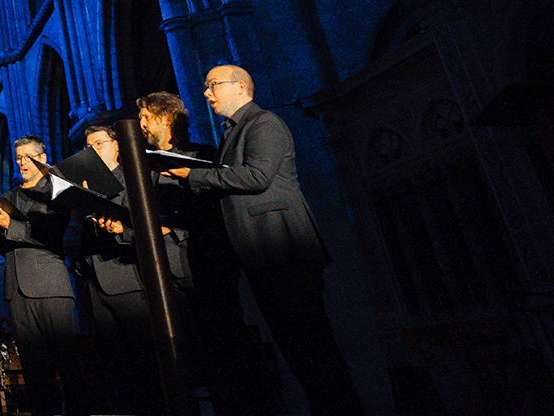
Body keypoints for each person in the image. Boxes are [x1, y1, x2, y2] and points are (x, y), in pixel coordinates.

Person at [164, 65, 364, 416]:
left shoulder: (264, 124)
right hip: (261, 254)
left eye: (212, 86)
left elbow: (257, 176)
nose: (206, 94)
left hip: (283, 248)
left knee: (313, 349)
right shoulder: (233, 131)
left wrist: (192, 174)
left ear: (240, 87)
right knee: (297, 352)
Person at [136, 92, 260, 416]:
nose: (142, 125)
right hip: (164, 273)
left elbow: (215, 210)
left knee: (226, 350)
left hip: (206, 265)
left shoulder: (202, 154)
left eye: (147, 118)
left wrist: (170, 225)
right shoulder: (144, 167)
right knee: (184, 356)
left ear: (165, 119)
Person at [0, 137, 82, 416]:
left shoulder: (56, 192)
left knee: (67, 363)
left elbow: (53, 236)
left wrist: (12, 224)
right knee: (34, 369)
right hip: (16, 289)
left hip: (50, 287)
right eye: (18, 157)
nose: (22, 161)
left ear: (43, 158)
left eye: (28, 156)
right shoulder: (8, 196)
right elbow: (2, 246)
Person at [77, 124, 160, 416]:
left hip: (128, 277)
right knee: (115, 363)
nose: (93, 151)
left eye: (99, 143)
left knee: (145, 358)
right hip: (96, 280)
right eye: (88, 147)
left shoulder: (131, 178)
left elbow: (153, 227)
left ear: (116, 146)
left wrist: (120, 228)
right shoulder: (83, 183)